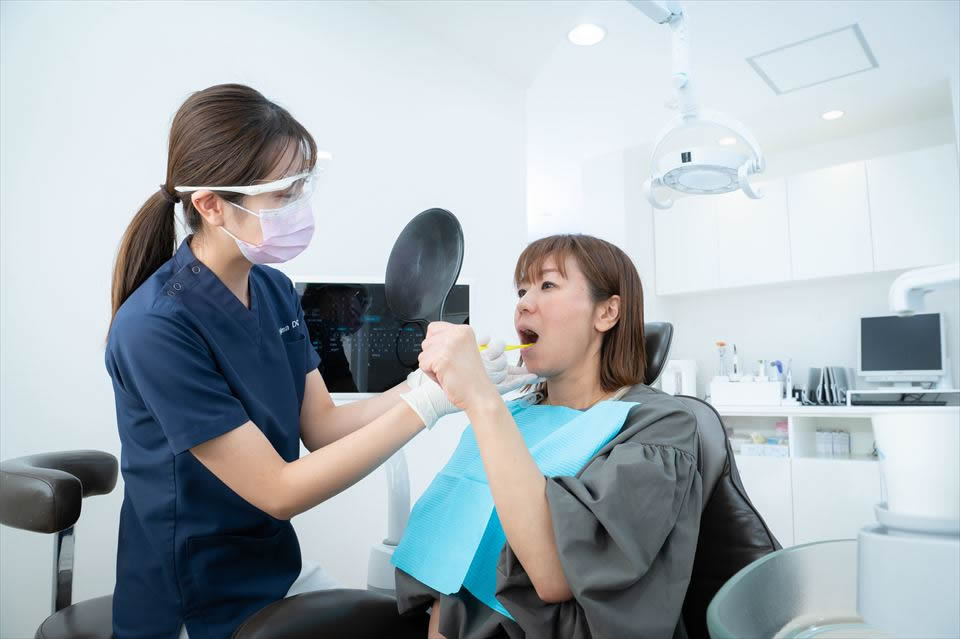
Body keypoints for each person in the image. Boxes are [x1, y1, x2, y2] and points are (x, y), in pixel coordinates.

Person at [105, 84, 532, 639]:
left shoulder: (274, 290)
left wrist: (426, 384)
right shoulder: (156, 328)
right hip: (193, 597)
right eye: (282, 195)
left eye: (301, 189)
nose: (299, 209)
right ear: (210, 204)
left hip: (273, 567)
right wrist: (425, 407)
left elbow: (323, 426)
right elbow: (279, 491)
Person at [393, 234, 703, 639]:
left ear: (607, 312)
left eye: (548, 285)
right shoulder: (515, 411)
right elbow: (449, 564)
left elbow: (556, 574)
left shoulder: (660, 425)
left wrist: (482, 400)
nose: (524, 303)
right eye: (522, 290)